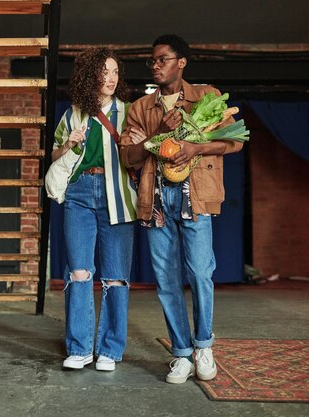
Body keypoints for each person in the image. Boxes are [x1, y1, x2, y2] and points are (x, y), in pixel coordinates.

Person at [119, 34, 243, 384]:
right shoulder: (142, 108)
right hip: (157, 200)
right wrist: (159, 132)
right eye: (153, 61)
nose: (156, 65)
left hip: (195, 197)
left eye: (162, 59)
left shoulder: (207, 96)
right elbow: (127, 155)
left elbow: (233, 142)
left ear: (181, 62)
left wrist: (195, 148)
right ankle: (182, 353)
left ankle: (204, 346)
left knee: (201, 272)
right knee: (166, 280)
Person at [53, 47, 138, 371]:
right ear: (91, 76)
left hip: (117, 196)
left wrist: (141, 142)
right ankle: (78, 348)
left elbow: (143, 155)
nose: (112, 78)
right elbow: (53, 157)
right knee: (79, 272)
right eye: (105, 72)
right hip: (78, 194)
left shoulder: (130, 112)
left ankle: (110, 351)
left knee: (116, 278)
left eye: (116, 72)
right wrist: (69, 144)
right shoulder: (74, 114)